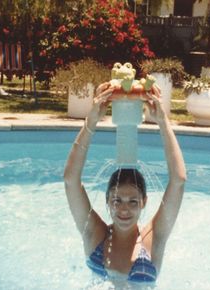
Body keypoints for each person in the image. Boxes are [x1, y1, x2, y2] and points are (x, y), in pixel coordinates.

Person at [63, 82, 186, 283]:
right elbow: (70, 180)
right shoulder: (95, 234)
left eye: (133, 201)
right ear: (107, 201)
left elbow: (179, 180)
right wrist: (91, 121)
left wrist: (163, 122)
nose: (124, 209)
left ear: (144, 202)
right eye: (117, 200)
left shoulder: (154, 239)